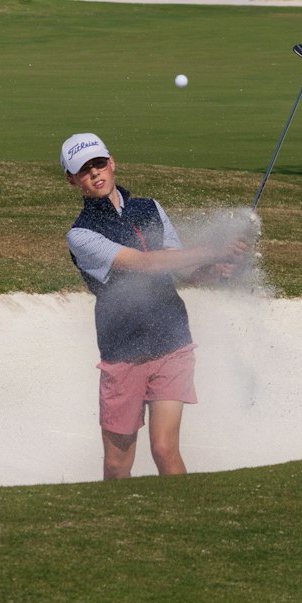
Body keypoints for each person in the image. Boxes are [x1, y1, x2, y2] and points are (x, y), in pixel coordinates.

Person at [62, 132, 247, 481]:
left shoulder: (150, 208)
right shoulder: (81, 235)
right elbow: (144, 264)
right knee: (118, 463)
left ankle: (182, 523)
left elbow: (178, 267)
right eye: (83, 171)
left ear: (112, 162)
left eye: (99, 164)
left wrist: (213, 270)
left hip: (171, 340)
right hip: (123, 351)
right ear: (72, 180)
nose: (95, 173)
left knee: (165, 449)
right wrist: (212, 249)